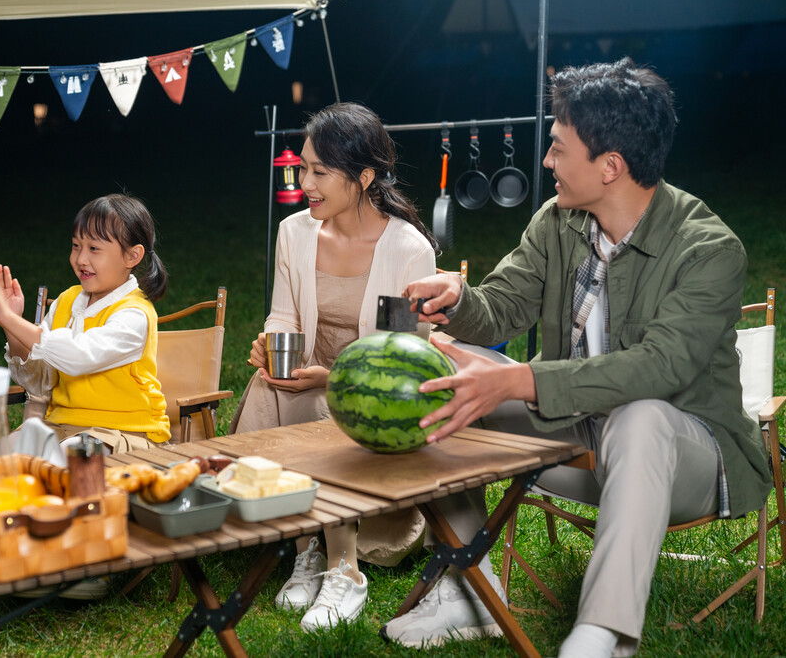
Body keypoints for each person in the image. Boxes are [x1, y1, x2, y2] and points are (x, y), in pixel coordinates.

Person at [388, 58, 772, 657]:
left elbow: (659, 368)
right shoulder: (559, 222)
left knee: (642, 415)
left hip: (687, 458)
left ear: (610, 166)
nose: (546, 162)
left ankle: (601, 637)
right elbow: (502, 308)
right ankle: (473, 591)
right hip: (577, 439)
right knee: (441, 390)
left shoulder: (708, 248)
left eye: (559, 148)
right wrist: (462, 300)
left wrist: (519, 380)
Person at [229, 102, 438, 631]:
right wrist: (269, 346)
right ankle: (309, 547)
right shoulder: (295, 233)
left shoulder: (408, 249)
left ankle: (345, 567)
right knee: (268, 385)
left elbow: (401, 358)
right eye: (304, 168)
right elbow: (284, 314)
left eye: (319, 171)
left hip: (376, 395)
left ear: (364, 176)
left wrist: (333, 376)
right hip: (309, 374)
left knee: (326, 402)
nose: (306, 182)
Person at [0, 194, 171, 454]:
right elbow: (37, 382)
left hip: (124, 430)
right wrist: (12, 326)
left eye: (94, 249)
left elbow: (78, 356)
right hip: (62, 425)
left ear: (132, 256)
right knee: (2, 451)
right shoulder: (65, 302)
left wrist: (9, 319)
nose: (81, 259)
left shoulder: (135, 314)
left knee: (74, 454)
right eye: (76, 246)